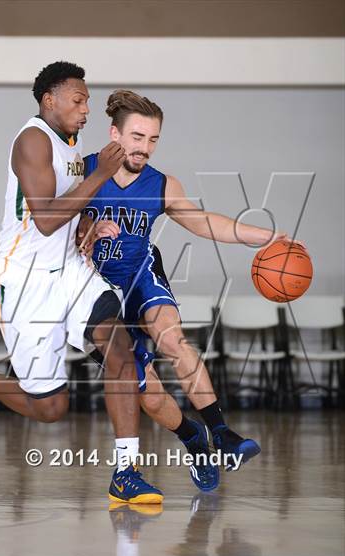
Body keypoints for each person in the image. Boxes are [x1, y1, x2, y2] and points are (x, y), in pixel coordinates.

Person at [0, 63, 163, 505]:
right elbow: (45, 218)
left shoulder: (72, 140)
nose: (85, 108)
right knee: (50, 407)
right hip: (25, 282)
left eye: (86, 101)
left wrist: (89, 222)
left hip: (70, 270)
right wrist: (101, 176)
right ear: (50, 99)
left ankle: (127, 473)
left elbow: (67, 207)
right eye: (78, 100)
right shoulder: (32, 139)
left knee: (118, 346)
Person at [81, 89, 298, 487]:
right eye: (136, 137)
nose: (144, 148)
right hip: (94, 291)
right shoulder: (82, 171)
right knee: (148, 393)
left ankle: (222, 434)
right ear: (114, 133)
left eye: (152, 139)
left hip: (140, 275)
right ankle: (193, 438)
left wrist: (263, 236)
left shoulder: (161, 184)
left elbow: (202, 222)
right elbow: (51, 226)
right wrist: (87, 230)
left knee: (172, 339)